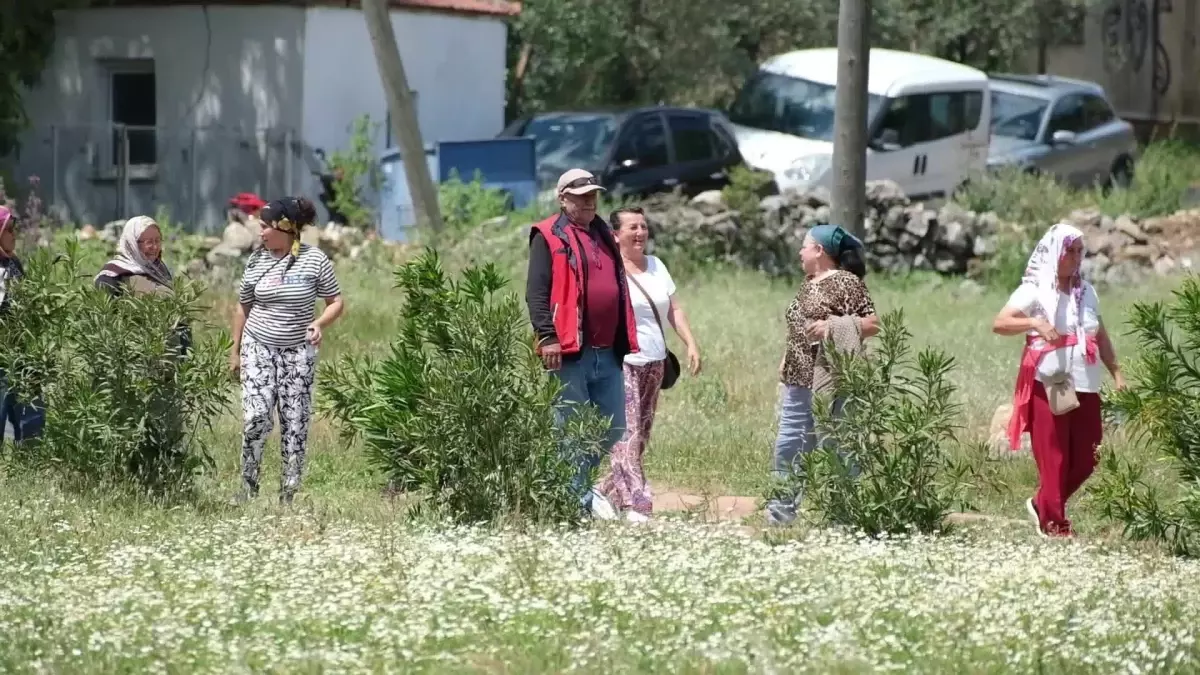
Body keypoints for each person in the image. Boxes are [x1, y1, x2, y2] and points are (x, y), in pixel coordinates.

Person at [992, 222, 1125, 538]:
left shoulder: (1087, 292)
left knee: (1088, 455)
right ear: (1055, 253)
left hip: (1087, 384)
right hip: (1050, 383)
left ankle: (1042, 503)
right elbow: (1000, 323)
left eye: (1081, 251)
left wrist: (1117, 373)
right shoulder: (1034, 289)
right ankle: (1054, 523)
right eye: (1070, 251)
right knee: (1055, 456)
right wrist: (1035, 322)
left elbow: (1100, 335)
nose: (1077, 258)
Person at [526, 168, 640, 520]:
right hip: (569, 352)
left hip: (608, 351)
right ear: (563, 199)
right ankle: (573, 506)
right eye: (581, 196)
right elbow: (537, 291)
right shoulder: (548, 235)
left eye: (593, 194)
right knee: (571, 431)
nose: (590, 201)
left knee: (613, 427)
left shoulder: (604, 232)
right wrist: (547, 337)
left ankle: (571, 488)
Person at [230, 197, 345, 504]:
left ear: (287, 228)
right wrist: (235, 350)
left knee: (294, 423)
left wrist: (319, 323)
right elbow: (243, 307)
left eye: (266, 227)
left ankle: (288, 494)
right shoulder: (255, 261)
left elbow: (335, 302)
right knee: (256, 417)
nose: (261, 233)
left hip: (297, 351)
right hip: (258, 346)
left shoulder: (315, 260)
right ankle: (247, 486)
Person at [766, 224, 879, 526]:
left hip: (829, 378)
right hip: (798, 377)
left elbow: (872, 324)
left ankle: (843, 518)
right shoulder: (809, 282)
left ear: (819, 250)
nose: (800, 252)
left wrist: (833, 327)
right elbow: (799, 328)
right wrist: (786, 358)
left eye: (804, 246)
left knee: (837, 447)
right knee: (788, 447)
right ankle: (780, 517)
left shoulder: (847, 282)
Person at [596, 206, 701, 522]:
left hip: (656, 361)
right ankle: (638, 504)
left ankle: (603, 492)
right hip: (624, 361)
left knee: (641, 436)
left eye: (643, 226)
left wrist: (691, 344)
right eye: (632, 227)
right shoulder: (609, 271)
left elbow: (674, 309)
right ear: (615, 236)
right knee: (626, 435)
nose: (640, 233)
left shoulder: (657, 266)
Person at [0, 205, 45, 442]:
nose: (14, 235)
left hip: (21, 349)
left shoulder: (13, 263)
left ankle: (31, 462)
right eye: (8, 229)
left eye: (14, 228)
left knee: (31, 413)